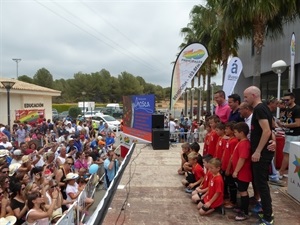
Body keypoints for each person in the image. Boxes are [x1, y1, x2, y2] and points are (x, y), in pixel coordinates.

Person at [244, 86, 274, 225]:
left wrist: (258, 151)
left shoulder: (260, 109)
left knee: (261, 184)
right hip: (261, 152)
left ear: (254, 95)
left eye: (246, 97)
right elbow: (272, 127)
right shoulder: (263, 109)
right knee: (259, 182)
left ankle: (268, 217)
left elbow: (266, 131)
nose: (245, 100)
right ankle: (265, 209)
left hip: (261, 154)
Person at [232, 122, 252, 221]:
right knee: (241, 190)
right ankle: (242, 208)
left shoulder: (244, 144)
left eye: (236, 132)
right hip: (240, 172)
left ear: (242, 132)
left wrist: (236, 171)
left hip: (243, 173)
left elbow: (242, 158)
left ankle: (245, 212)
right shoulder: (240, 142)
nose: (234, 134)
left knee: (243, 192)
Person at [278, 92, 300, 177]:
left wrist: (284, 125)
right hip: (289, 133)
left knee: (286, 153)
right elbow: (286, 120)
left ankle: (281, 172)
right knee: (290, 154)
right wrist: (281, 123)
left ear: (293, 99)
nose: (285, 101)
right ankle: (290, 172)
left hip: (294, 135)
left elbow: (298, 123)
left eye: (287, 100)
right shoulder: (287, 109)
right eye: (284, 100)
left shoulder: (297, 109)